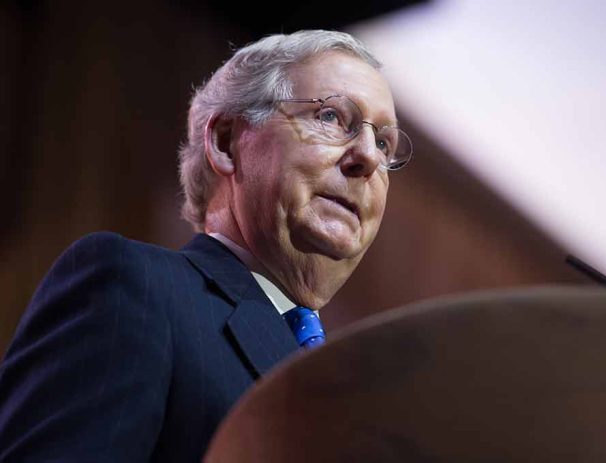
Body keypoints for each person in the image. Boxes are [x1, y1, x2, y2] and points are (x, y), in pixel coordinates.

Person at [0, 30, 412, 462]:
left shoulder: (354, 398)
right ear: (226, 141)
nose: (367, 156)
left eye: (384, 143)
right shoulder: (136, 289)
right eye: (330, 116)